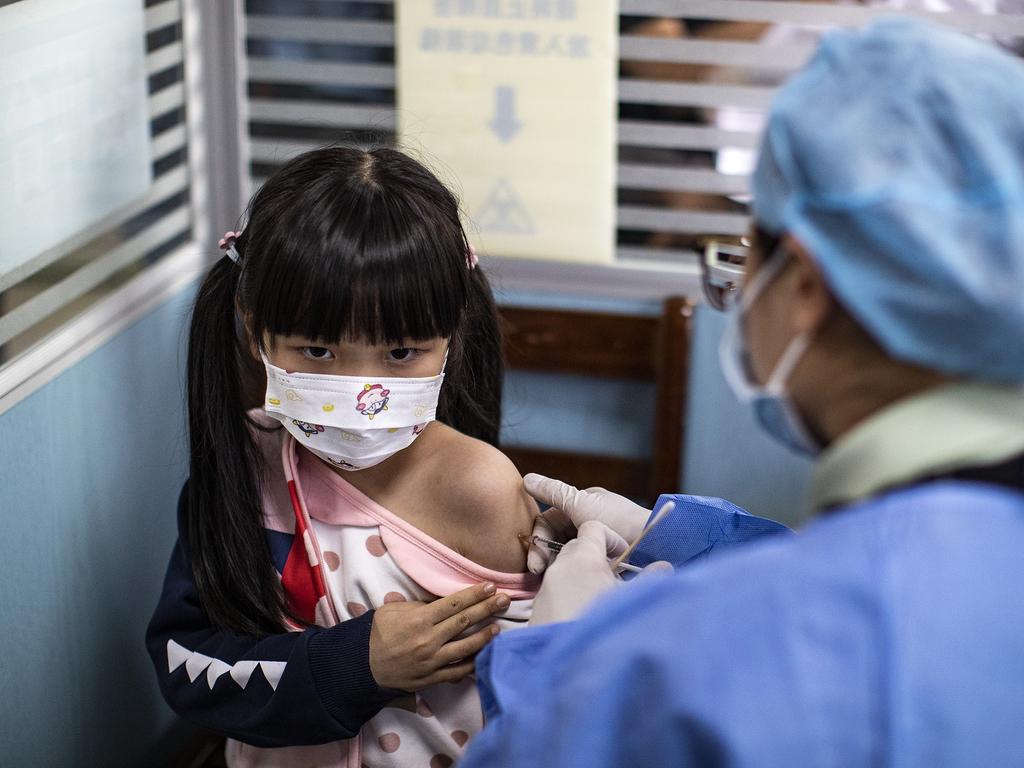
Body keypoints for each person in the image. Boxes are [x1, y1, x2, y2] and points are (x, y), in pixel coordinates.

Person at [462, 17, 1024, 767]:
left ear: (803, 286)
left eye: (742, 253)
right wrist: (680, 540)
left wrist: (562, 658)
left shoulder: (685, 675)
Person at [146, 146, 543, 767]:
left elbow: (549, 693)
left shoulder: (481, 489)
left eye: (401, 351)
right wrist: (354, 665)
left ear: (452, 334)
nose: (362, 392)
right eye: (319, 351)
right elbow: (186, 665)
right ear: (256, 333)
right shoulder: (241, 481)